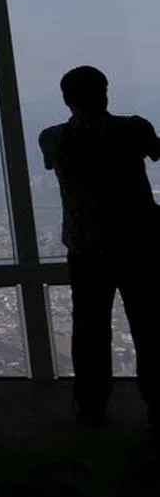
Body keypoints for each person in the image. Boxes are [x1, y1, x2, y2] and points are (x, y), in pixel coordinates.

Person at [39, 66, 160, 436]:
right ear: (105, 92)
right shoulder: (133, 129)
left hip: (85, 247)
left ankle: (91, 402)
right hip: (139, 243)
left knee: (90, 327)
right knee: (150, 324)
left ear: (65, 99)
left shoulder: (53, 139)